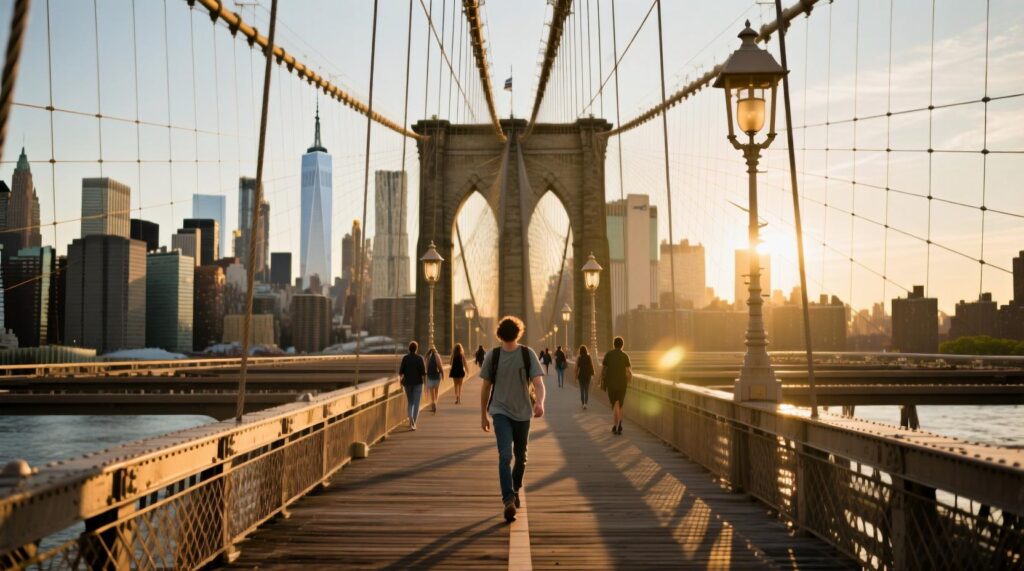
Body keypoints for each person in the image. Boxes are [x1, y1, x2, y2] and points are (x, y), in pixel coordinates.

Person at [480, 316, 546, 523]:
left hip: (523, 412)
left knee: (521, 456)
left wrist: (540, 402)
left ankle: (515, 488)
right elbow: (487, 386)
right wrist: (485, 413)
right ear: (518, 332)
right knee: (505, 455)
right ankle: (508, 500)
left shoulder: (527, 354)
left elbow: (538, 383)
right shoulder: (494, 356)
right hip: (500, 412)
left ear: (500, 333)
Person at [601, 336, 632, 435]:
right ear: (622, 345)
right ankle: (620, 424)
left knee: (615, 404)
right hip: (622, 384)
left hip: (611, 384)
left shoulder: (608, 355)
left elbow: (604, 370)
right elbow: (628, 372)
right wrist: (629, 381)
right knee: (620, 405)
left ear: (614, 344)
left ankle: (615, 425)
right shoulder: (625, 356)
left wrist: (600, 381)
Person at [398, 341, 426, 430]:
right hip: (418, 383)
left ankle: (410, 418)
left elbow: (401, 372)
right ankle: (413, 423)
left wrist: (399, 382)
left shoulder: (405, 358)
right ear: (416, 349)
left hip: (408, 383)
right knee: (417, 404)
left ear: (409, 348)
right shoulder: (420, 358)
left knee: (410, 402)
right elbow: (423, 372)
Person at [425, 345, 444, 413]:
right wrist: (443, 374)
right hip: (437, 376)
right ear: (435, 350)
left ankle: (433, 402)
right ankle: (435, 402)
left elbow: (426, 368)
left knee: (431, 391)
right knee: (436, 391)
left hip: (430, 376)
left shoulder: (427, 357)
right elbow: (440, 366)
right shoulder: (437, 355)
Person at [575, 344, 594, 410]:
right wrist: (592, 373)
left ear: (580, 351)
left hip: (581, 376)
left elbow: (577, 368)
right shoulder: (589, 357)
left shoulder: (579, 358)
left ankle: (583, 404)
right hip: (587, 375)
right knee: (586, 390)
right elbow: (591, 365)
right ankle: (586, 404)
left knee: (582, 391)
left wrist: (575, 377)